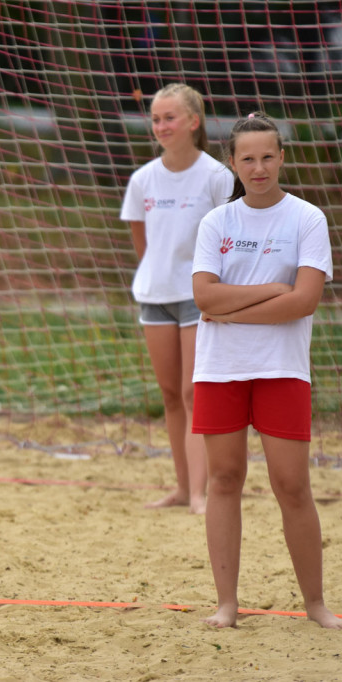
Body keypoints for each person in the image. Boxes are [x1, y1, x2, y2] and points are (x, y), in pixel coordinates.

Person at [191, 112, 342, 629]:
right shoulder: (218, 222)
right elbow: (203, 294)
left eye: (267, 156)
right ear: (232, 164)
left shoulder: (307, 218)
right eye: (247, 158)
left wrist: (228, 313)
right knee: (225, 478)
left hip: (282, 369)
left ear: (282, 157)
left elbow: (303, 302)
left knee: (292, 486)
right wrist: (268, 291)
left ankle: (316, 605)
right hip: (220, 368)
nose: (258, 167)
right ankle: (227, 605)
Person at [120, 83, 234, 514]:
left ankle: (201, 494)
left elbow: (229, 236)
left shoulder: (217, 177)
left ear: (193, 121)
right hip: (155, 297)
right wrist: (158, 274)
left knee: (192, 393)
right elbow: (142, 240)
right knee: (170, 395)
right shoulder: (143, 179)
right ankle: (183, 489)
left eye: (169, 117)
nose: (161, 126)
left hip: (196, 298)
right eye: (156, 119)